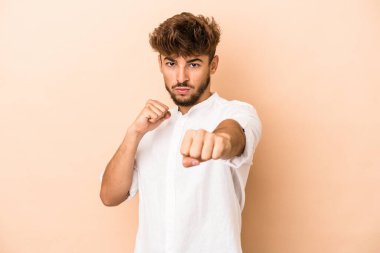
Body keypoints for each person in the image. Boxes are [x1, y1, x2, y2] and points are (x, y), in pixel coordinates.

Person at [100, 12, 262, 253]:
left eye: (193, 64)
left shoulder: (238, 112)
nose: (181, 77)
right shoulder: (151, 129)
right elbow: (109, 197)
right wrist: (134, 133)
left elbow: (233, 135)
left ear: (213, 65)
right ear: (160, 64)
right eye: (171, 63)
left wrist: (218, 140)